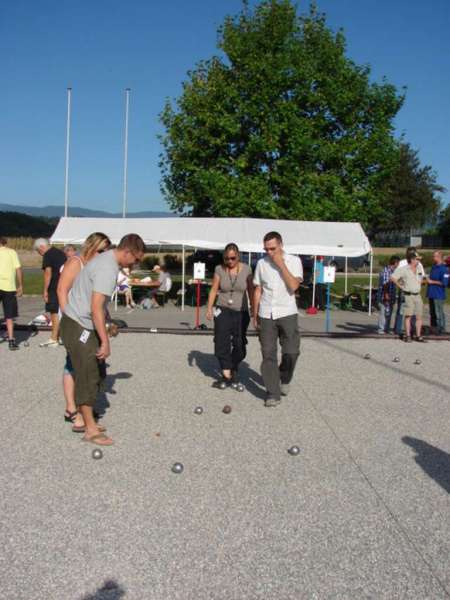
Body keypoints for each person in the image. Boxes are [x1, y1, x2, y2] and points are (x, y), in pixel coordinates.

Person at [60, 233, 146, 446]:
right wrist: (105, 340)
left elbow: (96, 304)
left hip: (81, 322)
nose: (135, 264)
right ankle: (89, 429)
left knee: (95, 371)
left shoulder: (106, 259)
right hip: (79, 325)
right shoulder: (108, 268)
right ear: (127, 252)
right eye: (135, 259)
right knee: (87, 374)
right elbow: (96, 308)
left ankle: (87, 420)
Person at [57, 232, 111, 430]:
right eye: (101, 250)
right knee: (74, 364)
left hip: (91, 321)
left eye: (106, 251)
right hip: (75, 321)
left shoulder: (98, 266)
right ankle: (73, 409)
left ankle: (84, 408)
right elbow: (62, 290)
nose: (104, 254)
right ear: (91, 246)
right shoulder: (76, 263)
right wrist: (68, 317)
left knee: (88, 365)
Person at [253, 232, 303, 407]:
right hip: (266, 313)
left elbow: (294, 286)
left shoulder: (294, 261)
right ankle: (273, 392)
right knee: (268, 354)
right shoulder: (261, 263)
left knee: (291, 352)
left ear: (281, 245)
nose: (269, 252)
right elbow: (258, 290)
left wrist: (281, 264)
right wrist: (255, 314)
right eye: (266, 249)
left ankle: (285, 377)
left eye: (272, 248)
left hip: (287, 312)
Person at [206, 243, 253, 390]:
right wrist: (209, 308)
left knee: (239, 344)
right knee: (221, 341)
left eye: (233, 258)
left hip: (241, 311)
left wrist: (255, 310)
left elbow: (251, 290)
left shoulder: (247, 269)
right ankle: (226, 374)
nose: (230, 262)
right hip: (223, 309)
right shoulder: (219, 269)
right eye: (227, 259)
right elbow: (214, 290)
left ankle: (233, 367)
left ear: (238, 256)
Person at [33, 238, 66, 347]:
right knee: (61, 311)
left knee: (54, 312)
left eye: (38, 251)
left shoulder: (48, 254)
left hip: (54, 286)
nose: (40, 254)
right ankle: (61, 336)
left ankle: (53, 338)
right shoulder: (61, 252)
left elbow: (48, 273)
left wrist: (45, 290)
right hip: (64, 285)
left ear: (42, 247)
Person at [391, 250, 426, 343]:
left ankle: (418, 336)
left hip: (417, 295)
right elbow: (393, 277)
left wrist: (422, 282)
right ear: (412, 259)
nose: (418, 261)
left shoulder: (418, 269)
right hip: (408, 295)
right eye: (417, 259)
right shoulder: (404, 269)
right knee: (408, 316)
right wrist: (401, 286)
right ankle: (408, 335)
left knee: (419, 316)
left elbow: (421, 279)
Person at [0, 237, 23, 350]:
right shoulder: (11, 252)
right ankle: (11, 340)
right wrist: (21, 285)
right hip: (9, 287)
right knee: (9, 316)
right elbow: (18, 269)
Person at [426, 251, 449, 335]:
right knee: (432, 312)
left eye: (434, 256)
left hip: (438, 294)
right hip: (431, 293)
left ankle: (441, 329)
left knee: (438, 312)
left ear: (439, 257)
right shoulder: (433, 267)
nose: (433, 258)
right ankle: (433, 328)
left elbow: (444, 283)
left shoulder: (444, 269)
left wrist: (432, 282)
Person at [377, 255, 400, 334]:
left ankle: (387, 328)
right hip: (385, 295)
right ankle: (381, 329)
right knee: (383, 313)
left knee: (389, 312)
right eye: (398, 263)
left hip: (392, 294)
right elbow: (385, 284)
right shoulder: (386, 271)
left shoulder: (393, 271)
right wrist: (386, 295)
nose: (398, 265)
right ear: (395, 263)